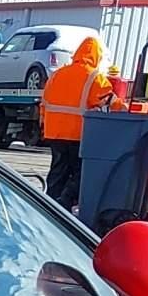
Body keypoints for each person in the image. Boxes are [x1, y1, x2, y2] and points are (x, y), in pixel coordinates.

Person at [38, 33, 114, 210]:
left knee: (57, 170)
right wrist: (126, 108)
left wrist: (43, 124)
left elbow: (44, 103)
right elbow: (108, 101)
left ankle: (50, 205)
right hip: (77, 133)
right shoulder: (95, 77)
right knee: (80, 172)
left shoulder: (57, 74)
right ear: (96, 56)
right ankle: (65, 203)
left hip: (54, 132)